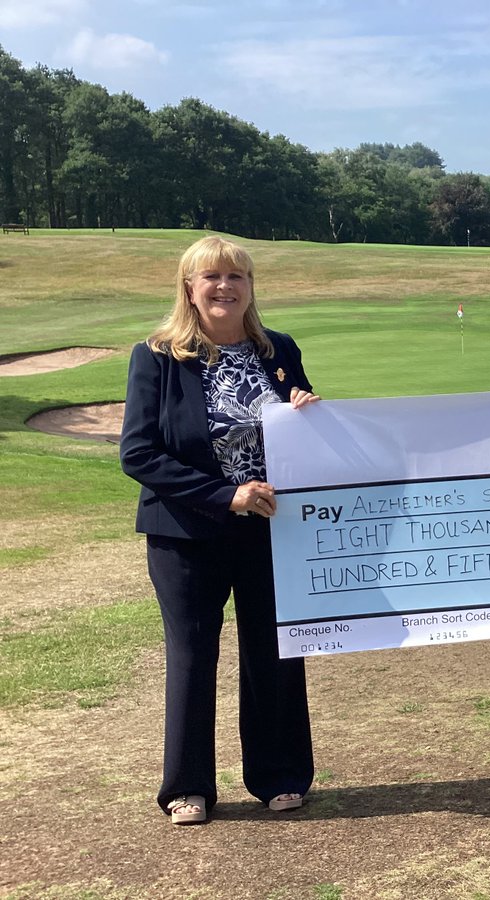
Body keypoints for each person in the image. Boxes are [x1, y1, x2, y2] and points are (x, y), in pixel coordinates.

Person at [120, 236, 318, 825]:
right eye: (211, 277)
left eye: (237, 277)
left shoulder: (276, 350)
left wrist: (310, 411)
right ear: (189, 287)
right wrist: (223, 494)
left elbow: (297, 430)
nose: (225, 287)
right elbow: (138, 452)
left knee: (274, 651)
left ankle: (280, 776)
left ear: (251, 287)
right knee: (192, 654)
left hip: (266, 529)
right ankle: (188, 788)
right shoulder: (157, 355)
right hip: (187, 532)